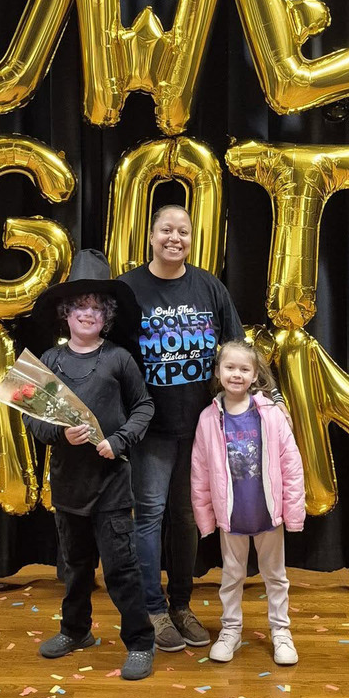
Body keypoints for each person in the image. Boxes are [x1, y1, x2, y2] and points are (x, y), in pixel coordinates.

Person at [24, 250, 156, 681]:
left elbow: (144, 406)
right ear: (66, 313)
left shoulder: (118, 358)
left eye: (97, 307)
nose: (87, 313)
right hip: (68, 486)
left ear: (107, 316)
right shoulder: (49, 361)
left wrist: (119, 441)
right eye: (80, 306)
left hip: (111, 485)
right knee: (75, 567)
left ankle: (141, 642)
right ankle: (75, 631)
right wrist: (59, 434)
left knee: (120, 570)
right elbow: (32, 420)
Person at [117, 205, 244, 651]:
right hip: (150, 428)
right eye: (166, 230)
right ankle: (153, 610)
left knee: (187, 516)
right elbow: (112, 359)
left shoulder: (209, 286)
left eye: (183, 231)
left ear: (192, 239)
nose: (175, 238)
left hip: (198, 426)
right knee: (150, 515)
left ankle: (182, 605)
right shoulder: (128, 289)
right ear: (151, 236)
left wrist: (262, 401)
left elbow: (235, 348)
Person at [190, 339, 305, 666]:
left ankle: (281, 631)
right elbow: (199, 471)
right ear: (218, 372)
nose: (236, 374)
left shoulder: (271, 415)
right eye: (230, 367)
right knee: (231, 577)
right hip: (232, 518)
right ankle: (230, 630)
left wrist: (293, 512)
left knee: (275, 577)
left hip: (268, 514)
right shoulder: (208, 419)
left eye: (244, 369)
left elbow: (291, 464)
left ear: (255, 375)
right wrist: (205, 519)